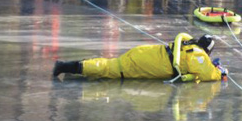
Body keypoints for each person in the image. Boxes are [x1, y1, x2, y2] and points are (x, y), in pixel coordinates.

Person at [53, 34, 227, 81]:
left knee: (111, 65)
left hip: (146, 53)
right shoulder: (197, 54)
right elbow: (207, 74)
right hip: (146, 63)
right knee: (109, 69)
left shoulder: (187, 45)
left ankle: (75, 65)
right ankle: (64, 66)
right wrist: (220, 73)